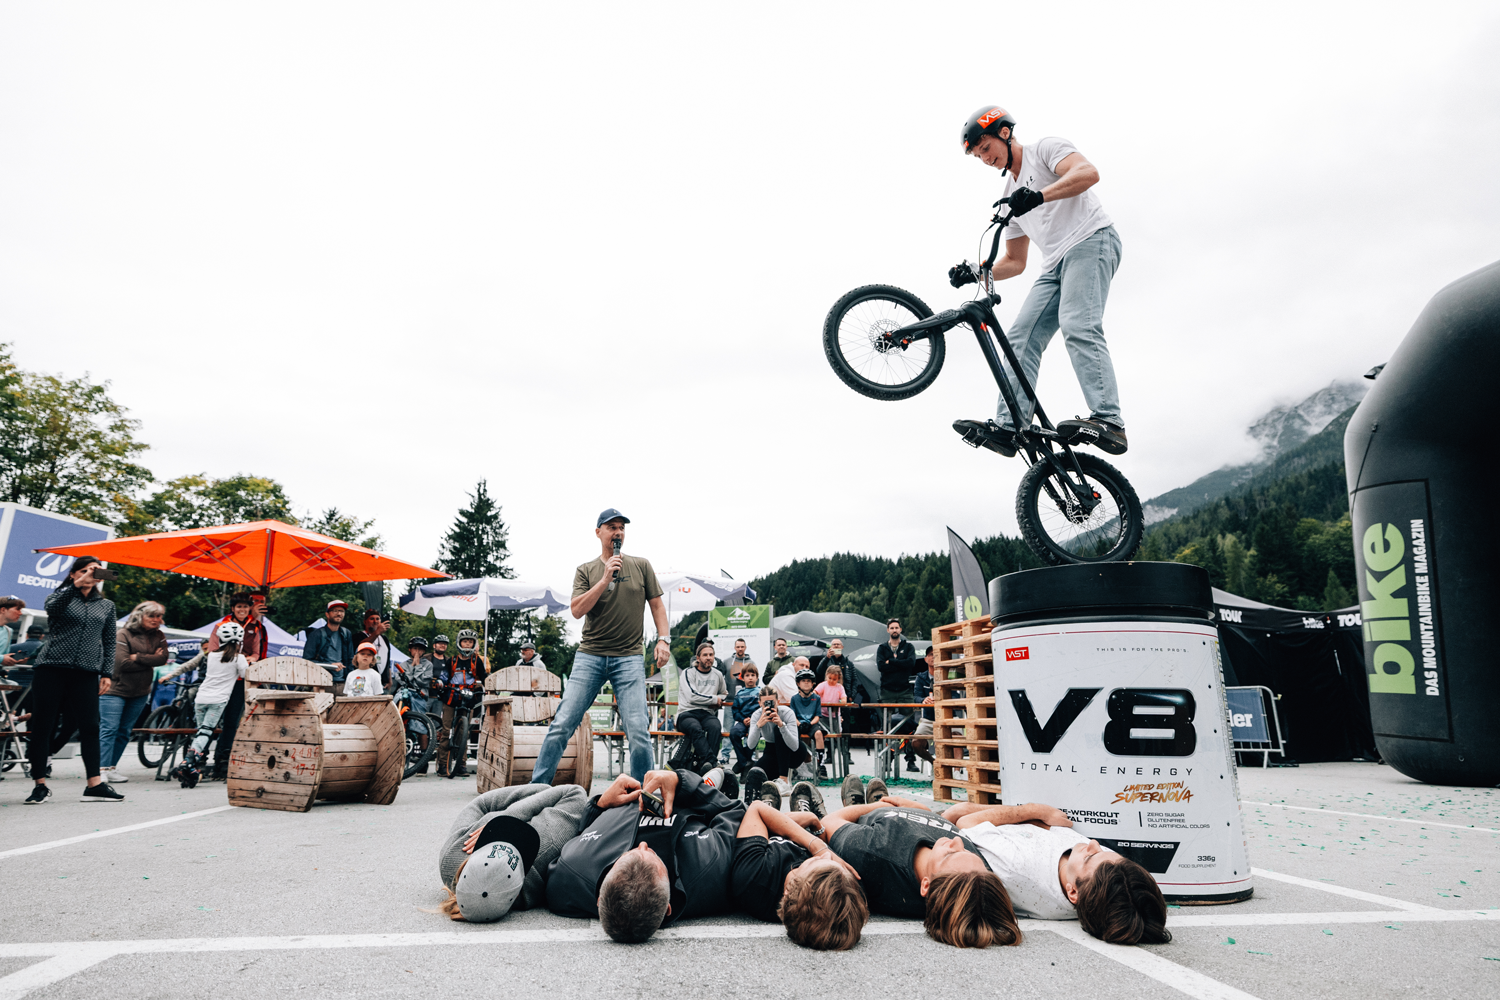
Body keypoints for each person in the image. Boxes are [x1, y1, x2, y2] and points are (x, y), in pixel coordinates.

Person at [951, 105, 1128, 458]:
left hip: (1092, 239)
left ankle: (1110, 421)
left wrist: (1040, 195)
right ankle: (1010, 424)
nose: (984, 158)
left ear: (1003, 133)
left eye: (985, 148)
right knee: (1020, 337)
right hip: (1054, 264)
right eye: (978, 156)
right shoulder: (1010, 197)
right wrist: (978, 270)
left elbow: (1088, 173)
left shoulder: (1045, 150)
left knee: (1077, 323)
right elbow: (1015, 263)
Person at [532, 509, 669, 785]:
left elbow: (656, 605)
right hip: (590, 656)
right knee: (562, 725)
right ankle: (536, 789)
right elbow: (576, 610)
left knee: (639, 731)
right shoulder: (586, 570)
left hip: (629, 657)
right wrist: (605, 579)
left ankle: (645, 796)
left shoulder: (641, 565)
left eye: (622, 528)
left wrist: (664, 639)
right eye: (611, 528)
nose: (618, 533)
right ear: (598, 532)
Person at [546, 768, 745, 942]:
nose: (642, 845)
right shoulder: (708, 869)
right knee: (716, 783)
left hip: (623, 801)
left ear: (599, 900)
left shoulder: (569, 876)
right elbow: (734, 812)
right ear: (668, 907)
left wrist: (600, 805)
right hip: (685, 803)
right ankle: (706, 783)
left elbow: (579, 835)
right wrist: (683, 782)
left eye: (628, 855)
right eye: (653, 856)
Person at [942, 801, 1170, 944]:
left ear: (1073, 893)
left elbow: (965, 820)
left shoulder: (1018, 869)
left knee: (953, 810)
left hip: (951, 828)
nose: (1093, 843)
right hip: (1008, 826)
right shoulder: (1105, 880)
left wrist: (1033, 810)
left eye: (1089, 856)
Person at [822, 796, 1021, 948]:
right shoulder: (973, 873)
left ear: (926, 884)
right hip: (918, 814)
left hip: (874, 816)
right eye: (967, 851)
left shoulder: (873, 852)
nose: (958, 841)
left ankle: (858, 799)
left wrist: (878, 806)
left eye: (950, 854)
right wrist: (919, 809)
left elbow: (830, 821)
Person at [24, 556, 123, 803]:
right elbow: (53, 610)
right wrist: (78, 584)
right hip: (51, 668)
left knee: (90, 726)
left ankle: (94, 784)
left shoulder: (106, 606)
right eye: (84, 570)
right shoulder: (59, 597)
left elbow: (110, 641)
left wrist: (106, 673)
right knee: (43, 726)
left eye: (95, 571)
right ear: (72, 574)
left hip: (86, 671)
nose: (90, 575)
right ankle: (39, 784)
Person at [435, 781, 590, 922]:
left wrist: (501, 820)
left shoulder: (452, 858)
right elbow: (574, 792)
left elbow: (480, 804)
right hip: (546, 810)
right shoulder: (547, 846)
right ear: (516, 894)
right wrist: (508, 816)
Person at [731, 798, 868, 949]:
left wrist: (817, 845)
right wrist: (816, 827)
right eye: (835, 862)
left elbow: (756, 809)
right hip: (802, 827)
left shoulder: (754, 877)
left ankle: (775, 804)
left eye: (816, 862)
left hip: (760, 825)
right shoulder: (839, 889)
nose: (828, 855)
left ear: (789, 890)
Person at [169, 622, 249, 788]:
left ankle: (193, 766)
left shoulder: (211, 655)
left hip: (201, 698)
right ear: (239, 641)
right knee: (206, 732)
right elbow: (245, 675)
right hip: (218, 700)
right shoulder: (238, 658)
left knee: (201, 732)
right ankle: (188, 762)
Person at [98, 601, 169, 784]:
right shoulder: (123, 633)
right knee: (109, 729)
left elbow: (164, 658)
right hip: (115, 690)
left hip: (140, 691)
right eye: (152, 616)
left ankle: (111, 767)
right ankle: (100, 769)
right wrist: (151, 659)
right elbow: (122, 663)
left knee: (124, 731)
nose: (157, 620)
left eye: (159, 616)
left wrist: (137, 657)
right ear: (140, 616)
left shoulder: (159, 635)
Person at [742, 687, 810, 803]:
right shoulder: (756, 715)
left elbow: (794, 745)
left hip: (795, 752)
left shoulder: (787, 712)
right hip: (772, 751)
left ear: (778, 701)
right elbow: (750, 745)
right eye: (765, 704)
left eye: (772, 703)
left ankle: (784, 780)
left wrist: (781, 725)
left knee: (779, 731)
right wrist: (758, 726)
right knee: (757, 773)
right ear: (759, 703)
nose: (769, 706)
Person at [436, 629, 488, 778]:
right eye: (465, 641)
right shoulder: (451, 660)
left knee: (463, 733)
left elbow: (484, 677)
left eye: (470, 642)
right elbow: (444, 676)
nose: (467, 644)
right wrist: (440, 683)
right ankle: (442, 764)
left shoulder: (476, 660)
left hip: (468, 697)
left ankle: (461, 765)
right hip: (451, 697)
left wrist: (490, 687)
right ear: (459, 643)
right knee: (446, 731)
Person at [672, 642, 727, 773]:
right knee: (695, 728)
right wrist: (713, 699)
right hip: (686, 713)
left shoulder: (718, 674)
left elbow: (724, 694)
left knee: (715, 727)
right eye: (705, 655)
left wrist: (719, 699)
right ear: (698, 658)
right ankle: (712, 763)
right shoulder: (688, 673)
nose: (708, 658)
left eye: (711, 655)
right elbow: (692, 696)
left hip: (707, 713)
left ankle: (705, 766)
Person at [303, 599, 356, 683]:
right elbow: (307, 661)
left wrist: (350, 680)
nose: (339, 614)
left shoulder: (346, 633)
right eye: (335, 611)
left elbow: (350, 659)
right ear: (327, 614)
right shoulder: (316, 634)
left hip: (343, 683)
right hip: (321, 682)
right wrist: (330, 666)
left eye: (341, 611)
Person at [788, 667, 828, 776]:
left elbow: (817, 716)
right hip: (798, 723)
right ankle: (793, 766)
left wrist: (810, 724)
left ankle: (821, 765)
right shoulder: (794, 698)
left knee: (819, 734)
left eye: (808, 681)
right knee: (791, 736)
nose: (806, 683)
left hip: (812, 723)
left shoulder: (816, 698)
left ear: (812, 684)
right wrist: (799, 724)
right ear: (798, 684)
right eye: (803, 681)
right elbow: (792, 715)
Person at [906, 646, 939, 772]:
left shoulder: (947, 675)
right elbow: (916, 697)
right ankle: (934, 763)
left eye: (936, 654)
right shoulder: (921, 677)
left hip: (948, 718)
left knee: (957, 740)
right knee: (916, 743)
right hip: (928, 719)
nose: (934, 657)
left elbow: (956, 695)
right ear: (925, 659)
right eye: (931, 654)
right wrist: (923, 700)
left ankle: (956, 771)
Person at [728, 663, 761, 773]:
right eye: (747, 675)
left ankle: (744, 763)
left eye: (752, 675)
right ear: (742, 678)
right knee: (733, 733)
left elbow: (763, 709)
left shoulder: (761, 692)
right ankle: (744, 762)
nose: (750, 678)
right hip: (743, 721)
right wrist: (743, 719)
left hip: (757, 722)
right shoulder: (739, 694)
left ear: (757, 677)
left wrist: (753, 719)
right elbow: (735, 711)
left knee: (754, 735)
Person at [355, 609, 397, 687]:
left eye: (377, 619)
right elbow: (362, 646)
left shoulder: (384, 639)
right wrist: (377, 632)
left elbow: (387, 660)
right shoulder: (359, 636)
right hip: (366, 681)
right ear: (365, 622)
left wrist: (389, 680)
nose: (375, 621)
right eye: (372, 619)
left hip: (383, 684)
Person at [0, 596, 26, 668]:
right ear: (3, 610)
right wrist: (2, 658)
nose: (20, 613)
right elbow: (2, 658)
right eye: (18, 609)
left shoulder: (9, 631)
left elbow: (4, 655)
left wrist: (12, 660)